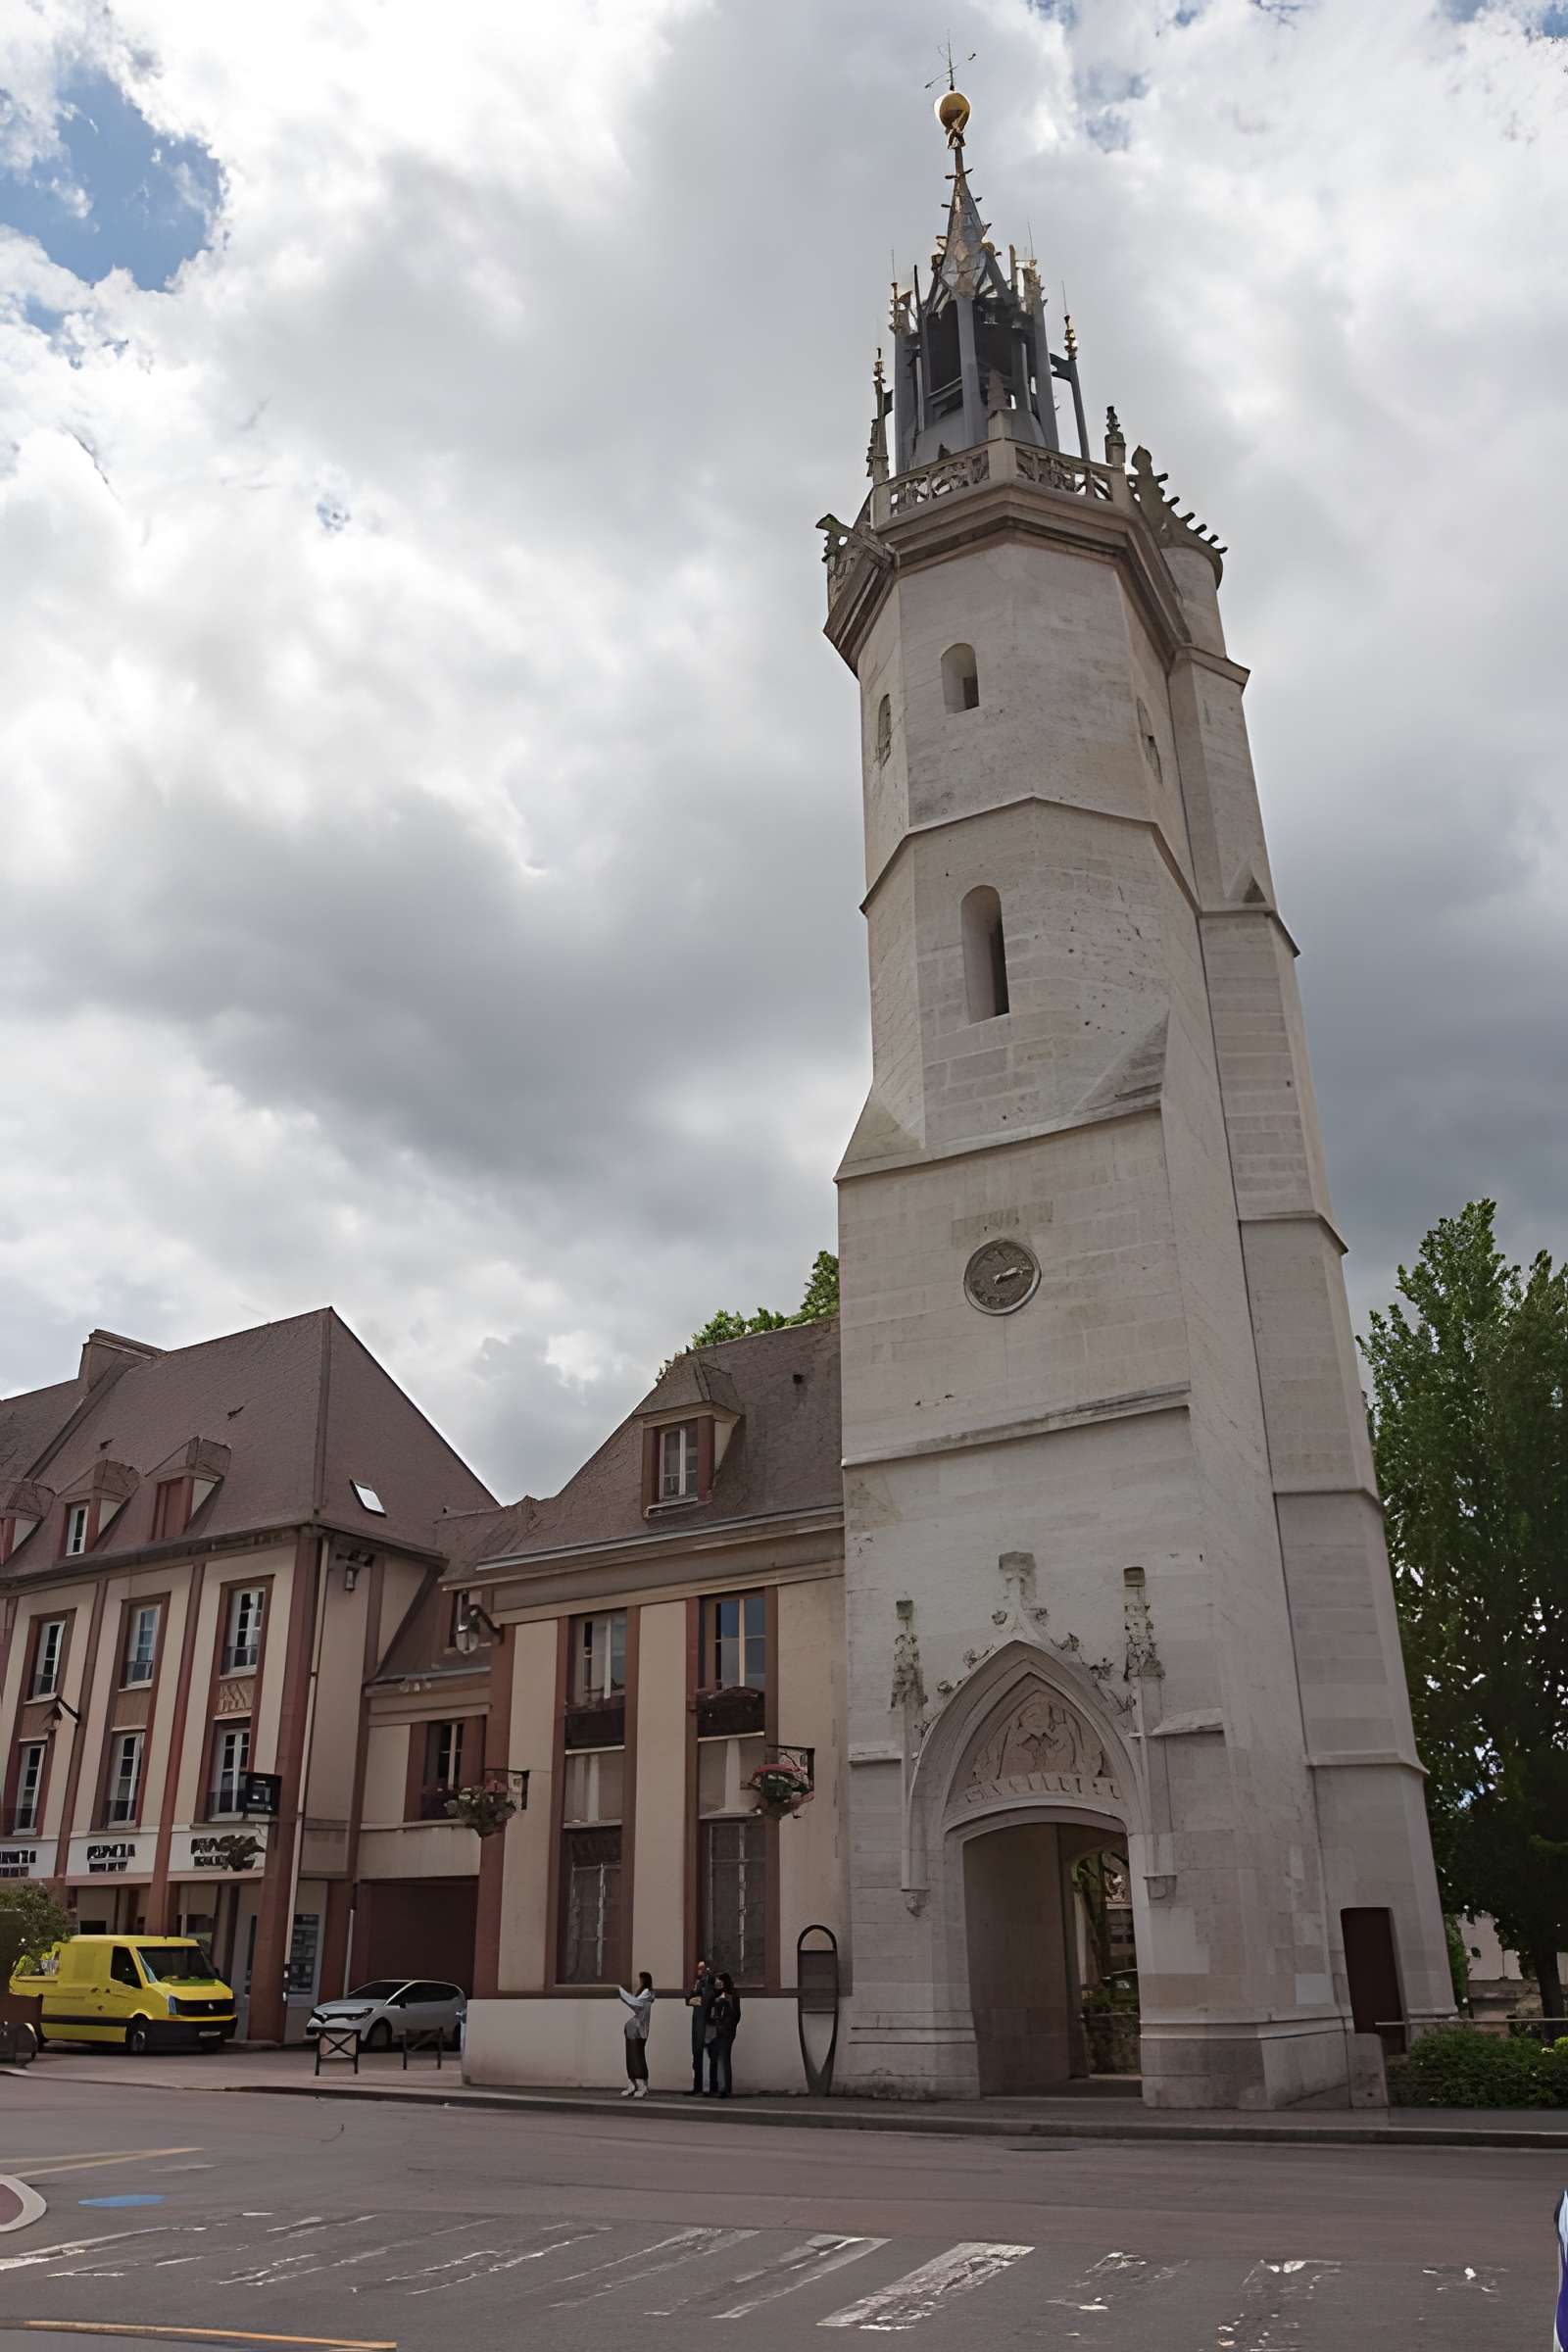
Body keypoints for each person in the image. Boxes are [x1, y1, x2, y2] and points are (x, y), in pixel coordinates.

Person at [617, 1970, 654, 2097]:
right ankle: (632, 2083)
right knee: (631, 2057)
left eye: (641, 1979)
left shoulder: (647, 1993)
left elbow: (635, 2003)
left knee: (636, 2057)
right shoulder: (645, 1993)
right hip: (633, 2031)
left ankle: (641, 2085)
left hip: (638, 2031)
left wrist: (621, 1992)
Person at [706, 1971, 741, 2097]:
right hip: (717, 2030)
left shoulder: (730, 1996)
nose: (718, 1984)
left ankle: (725, 2089)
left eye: (720, 1982)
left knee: (724, 2058)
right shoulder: (715, 1996)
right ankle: (716, 2087)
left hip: (725, 2031)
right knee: (715, 2058)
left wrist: (727, 2026)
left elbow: (736, 2015)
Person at [685, 1957, 716, 2095]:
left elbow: (708, 2001)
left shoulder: (712, 1984)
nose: (700, 1971)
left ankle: (712, 2087)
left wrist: (699, 2000)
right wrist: (694, 1999)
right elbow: (689, 1999)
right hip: (697, 2024)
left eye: (702, 1968)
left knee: (711, 2056)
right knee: (697, 2055)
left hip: (708, 2025)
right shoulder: (698, 1984)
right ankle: (697, 2087)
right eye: (699, 1968)